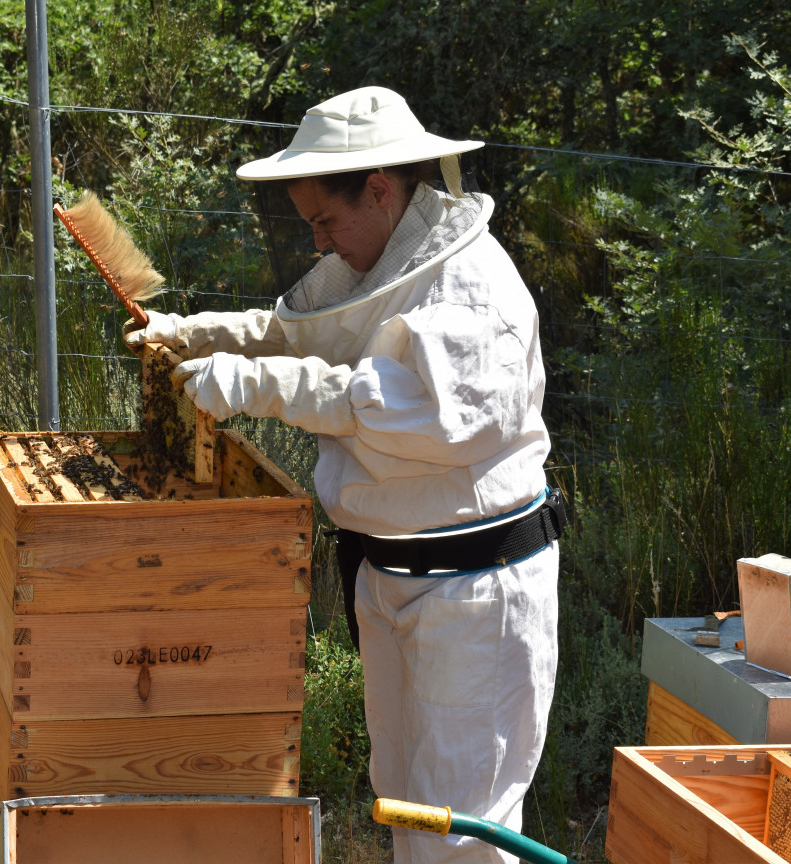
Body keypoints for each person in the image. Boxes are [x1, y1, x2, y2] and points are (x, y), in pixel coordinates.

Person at [124, 86, 563, 864]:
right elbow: (296, 332)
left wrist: (260, 386)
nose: (320, 242)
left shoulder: (474, 294)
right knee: (406, 806)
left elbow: (424, 418)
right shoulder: (385, 256)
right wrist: (192, 334)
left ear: (379, 189)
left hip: (475, 592)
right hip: (393, 576)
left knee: (462, 835)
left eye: (325, 221)